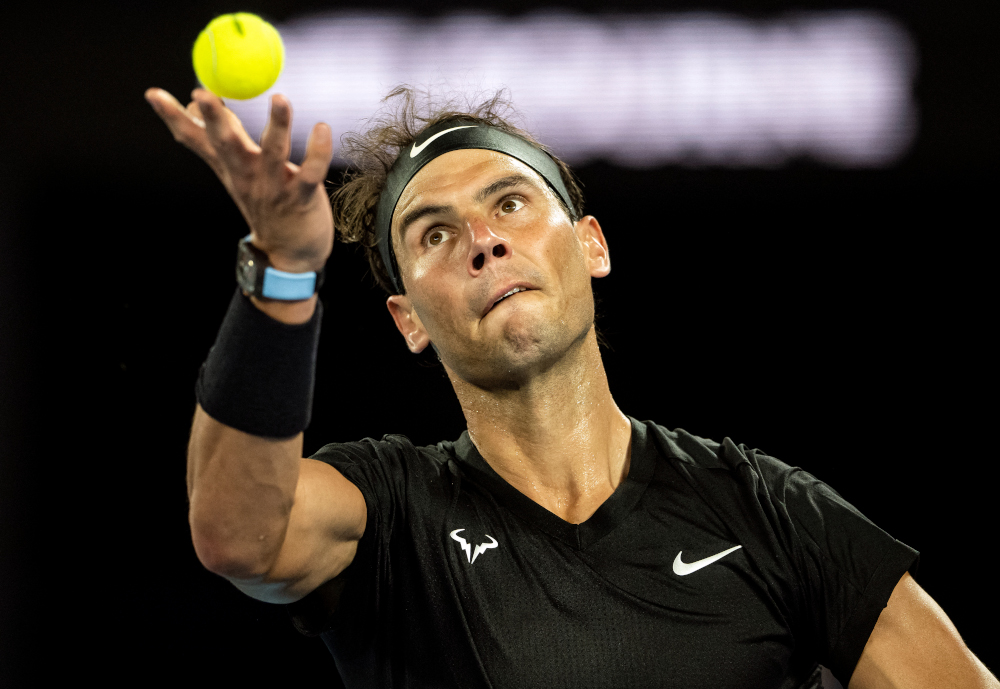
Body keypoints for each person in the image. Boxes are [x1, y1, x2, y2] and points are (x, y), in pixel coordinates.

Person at [145, 84, 998, 689]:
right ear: (408, 320)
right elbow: (239, 534)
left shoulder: (767, 510)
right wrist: (285, 270)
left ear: (591, 244)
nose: (483, 241)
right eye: (434, 233)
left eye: (511, 204)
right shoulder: (390, 511)